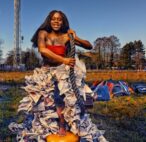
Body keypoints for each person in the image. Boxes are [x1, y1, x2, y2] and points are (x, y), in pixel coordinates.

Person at [9, 10, 107, 142]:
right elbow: (43, 50)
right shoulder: (43, 33)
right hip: (47, 72)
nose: (56, 21)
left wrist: (75, 37)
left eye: (59, 19)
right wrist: (64, 60)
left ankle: (64, 123)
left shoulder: (67, 36)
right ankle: (47, 126)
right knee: (42, 101)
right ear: (49, 21)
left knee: (65, 95)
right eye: (53, 19)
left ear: (63, 21)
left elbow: (89, 46)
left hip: (63, 72)